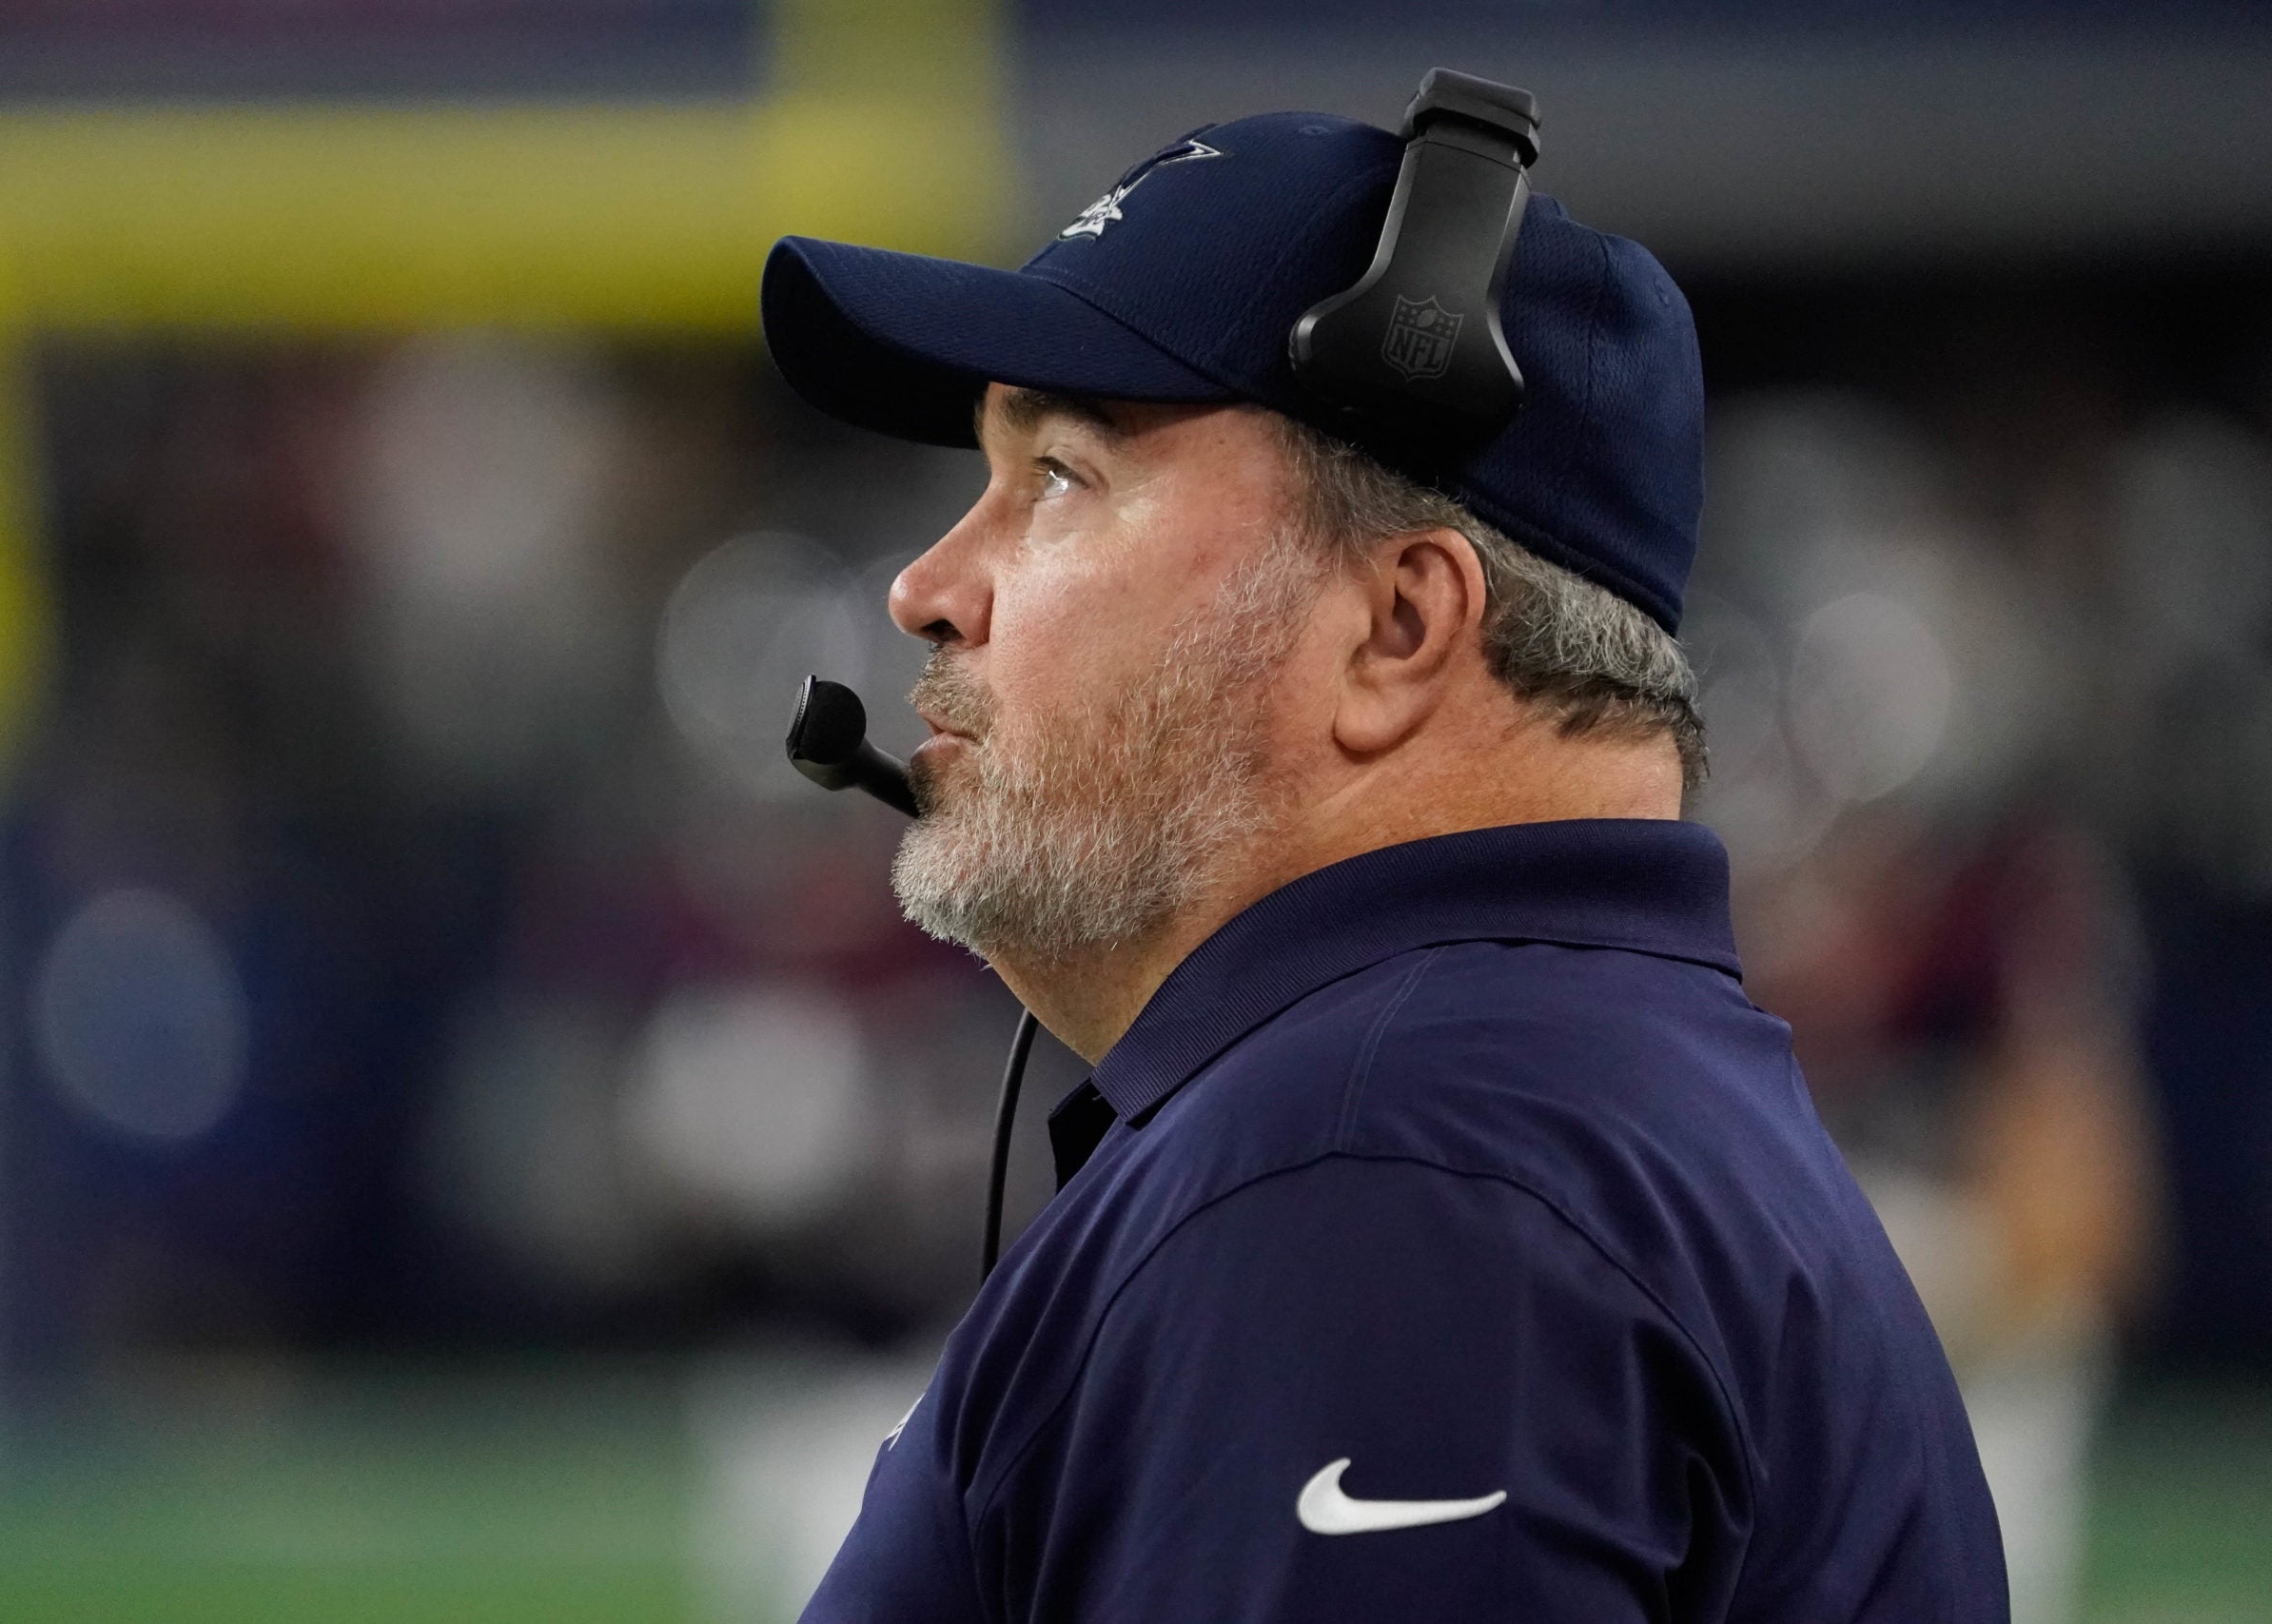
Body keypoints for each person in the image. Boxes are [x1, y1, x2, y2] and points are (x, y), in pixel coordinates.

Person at [756, 95, 2008, 1622]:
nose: (926, 587)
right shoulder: (1539, 1112)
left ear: (1398, 628)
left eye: (1061, 478)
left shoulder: (1378, 1179)